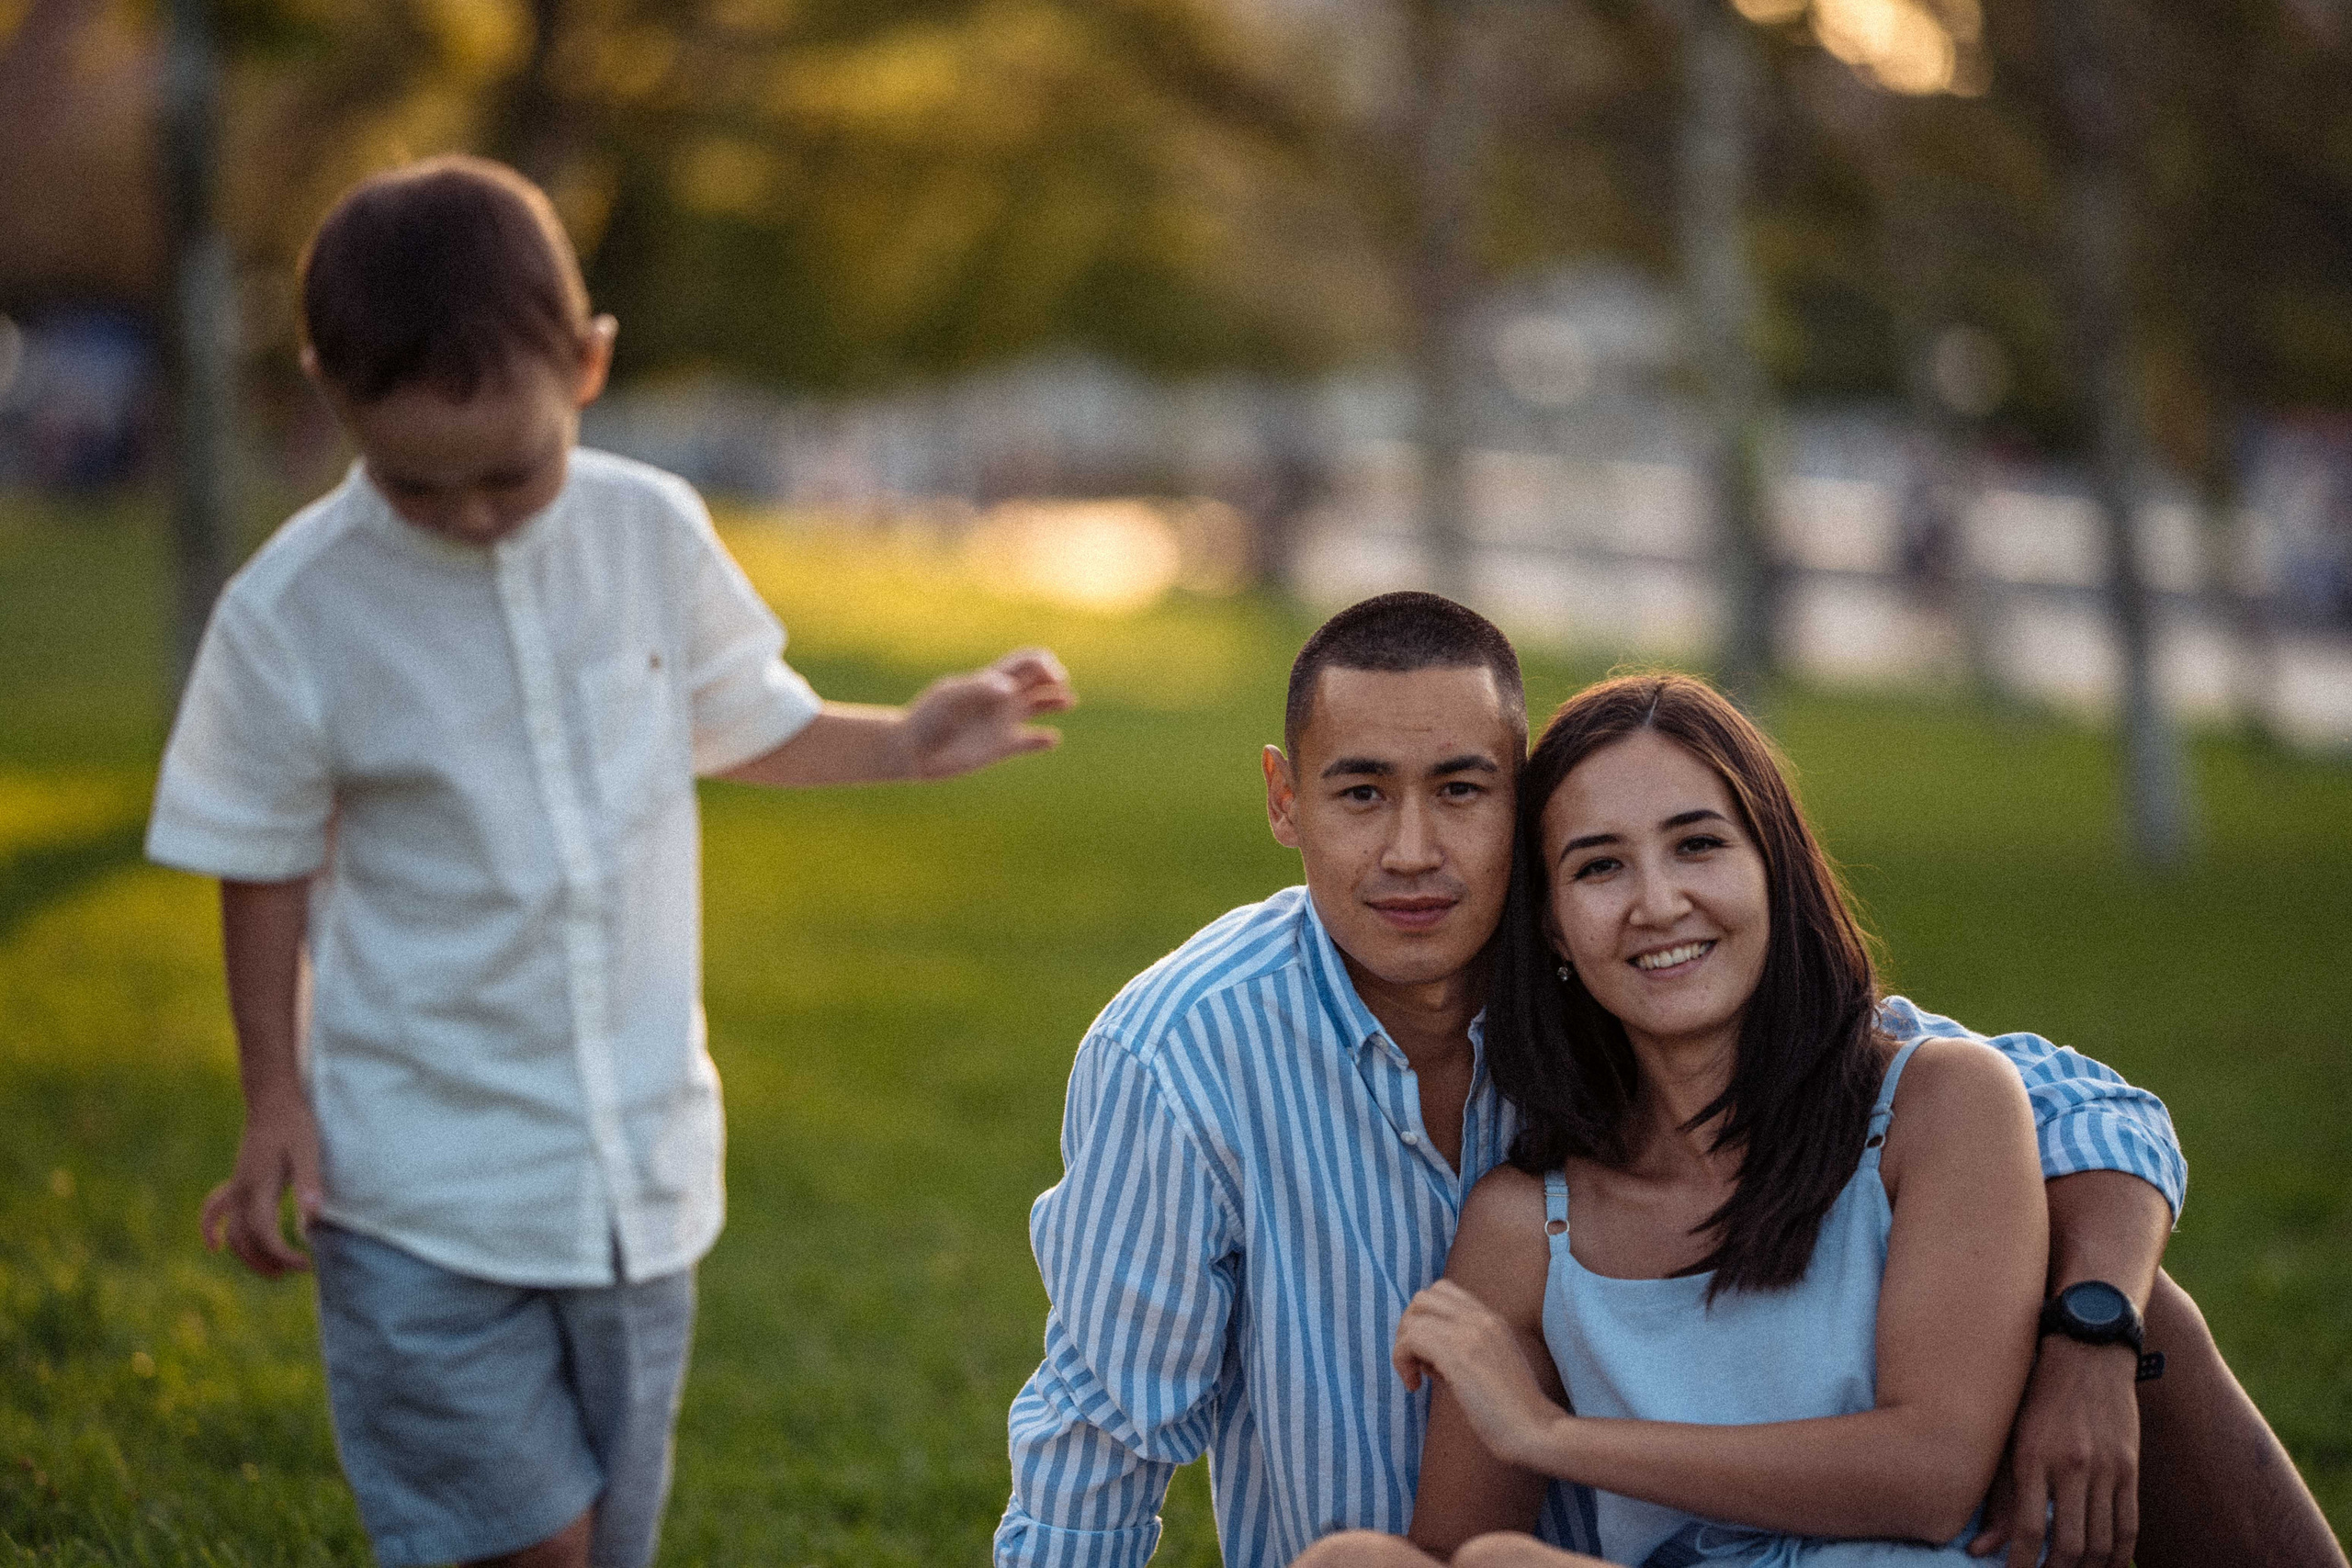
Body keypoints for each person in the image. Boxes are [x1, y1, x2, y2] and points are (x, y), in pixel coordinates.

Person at [145, 155, 1074, 1568]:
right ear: (329, 392)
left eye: (510, 473)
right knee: (533, 1544)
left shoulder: (650, 532)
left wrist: (905, 738)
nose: (470, 517)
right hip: (417, 1184)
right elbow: (258, 858)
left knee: (604, 1540)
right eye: (418, 483)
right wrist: (274, 1089)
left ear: (585, 367)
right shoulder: (297, 611)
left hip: (634, 1178)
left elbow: (744, 720)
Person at [996, 592, 2342, 1568]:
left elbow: (2073, 1109)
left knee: (2143, 1292)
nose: (1414, 848)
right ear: (1288, 800)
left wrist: (2096, 1325)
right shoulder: (1186, 1055)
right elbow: (1103, 1426)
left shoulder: (1817, 1055)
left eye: (1462, 789)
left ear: (1515, 810)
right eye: (1363, 794)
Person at [1297, 670, 2052, 1568]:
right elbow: (1445, 1553)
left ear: (1773, 865)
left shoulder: (1940, 1103)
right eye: (1599, 866)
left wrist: (1551, 1434)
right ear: (1552, 927)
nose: (1657, 904)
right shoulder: (1527, 1224)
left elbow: (1934, 1476)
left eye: (1696, 846)